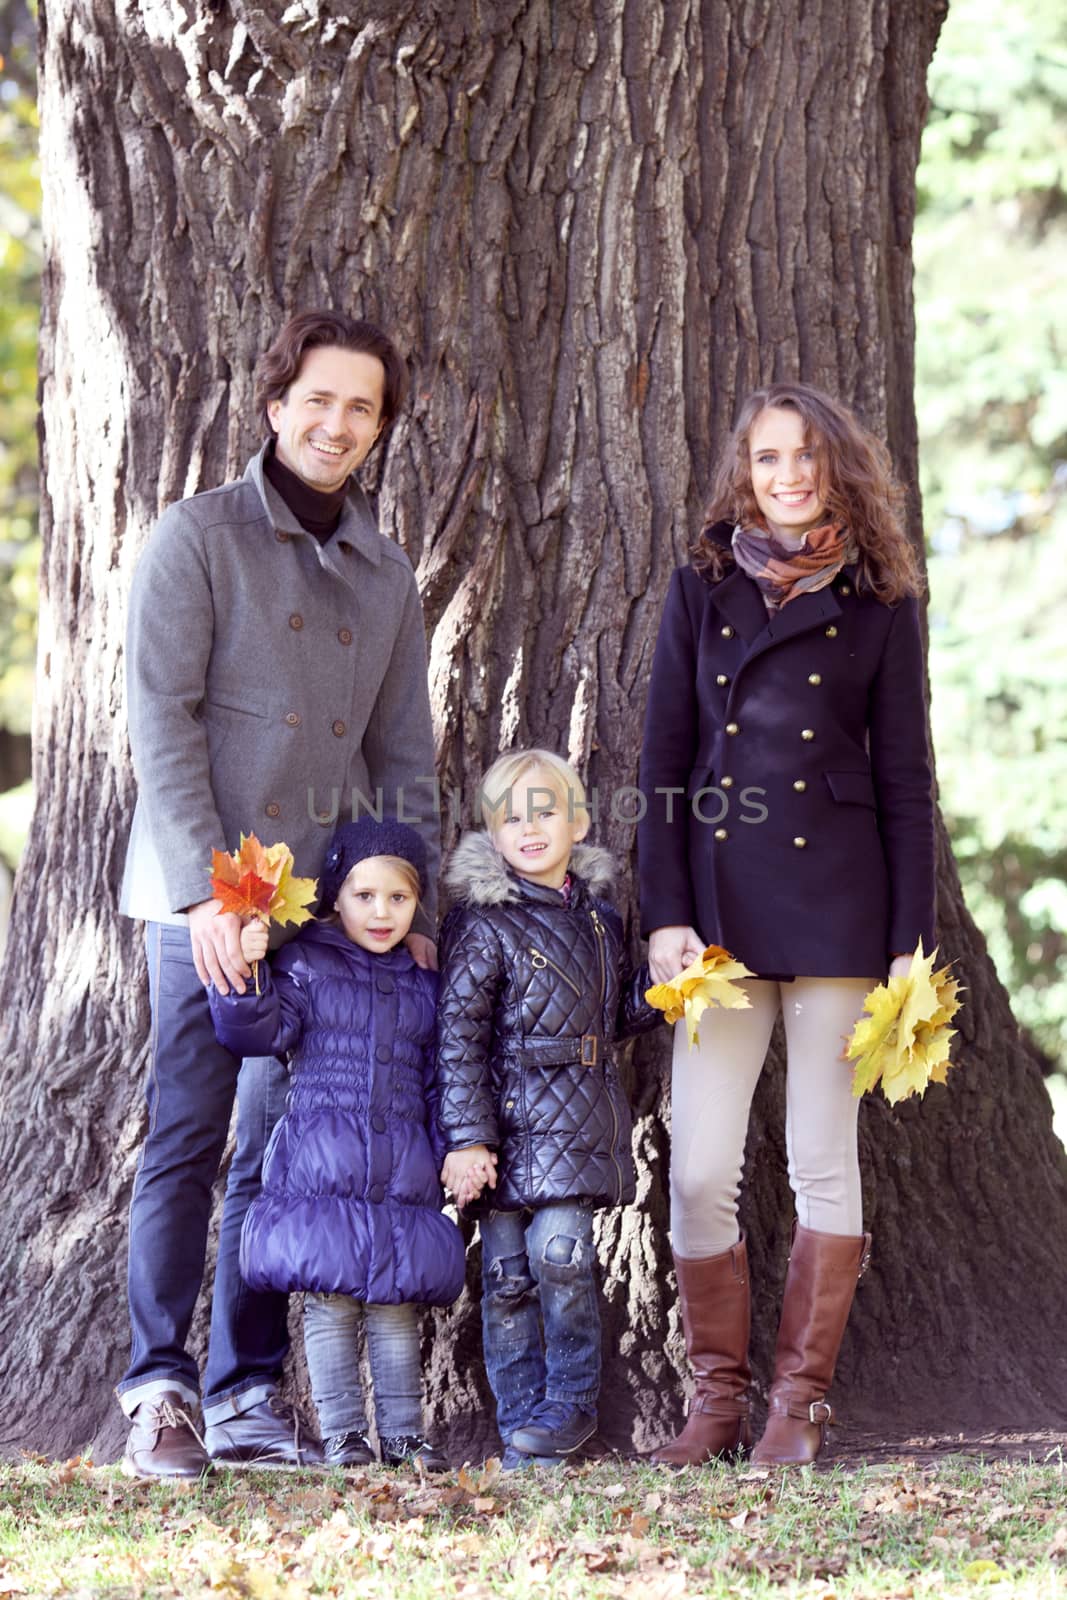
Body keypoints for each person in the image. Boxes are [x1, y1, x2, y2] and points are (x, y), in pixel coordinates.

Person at [118, 309, 440, 1478]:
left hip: (316, 914)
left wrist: (417, 918)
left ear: (378, 428)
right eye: (318, 397)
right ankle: (157, 1388)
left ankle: (245, 1390)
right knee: (190, 1138)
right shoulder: (196, 540)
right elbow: (163, 717)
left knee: (279, 1150)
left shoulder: (385, 572)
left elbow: (405, 758)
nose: (335, 422)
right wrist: (211, 895)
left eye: (361, 406)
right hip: (195, 898)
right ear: (274, 404)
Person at [637, 382, 935, 1467]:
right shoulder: (698, 590)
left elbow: (903, 778)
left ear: (836, 466)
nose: (788, 475)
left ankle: (794, 1404)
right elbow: (661, 767)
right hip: (712, 927)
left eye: (806, 455)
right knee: (697, 1168)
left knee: (822, 1158)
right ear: (743, 476)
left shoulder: (880, 601)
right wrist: (662, 916)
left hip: (837, 917)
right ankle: (715, 1397)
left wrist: (908, 942)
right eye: (767, 459)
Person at [208, 819, 464, 1471]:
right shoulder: (306, 964)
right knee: (330, 1304)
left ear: (417, 904)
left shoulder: (423, 984)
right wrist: (249, 967)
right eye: (364, 896)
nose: (381, 912)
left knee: (395, 1309)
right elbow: (258, 1034)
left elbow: (440, 1082)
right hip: (321, 1168)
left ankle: (404, 1436)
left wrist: (450, 1150)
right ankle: (346, 1433)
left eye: (398, 899)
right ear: (335, 900)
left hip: (402, 1176)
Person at [434, 749, 659, 1470]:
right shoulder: (480, 923)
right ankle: (524, 1430)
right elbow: (458, 1036)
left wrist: (658, 995)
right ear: (491, 834)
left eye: (544, 810)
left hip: (571, 1128)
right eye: (509, 816)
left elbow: (608, 1015)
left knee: (561, 1259)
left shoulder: (598, 918)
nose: (527, 828)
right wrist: (467, 1138)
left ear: (579, 821)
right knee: (506, 1285)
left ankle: (569, 1403)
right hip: (501, 1128)